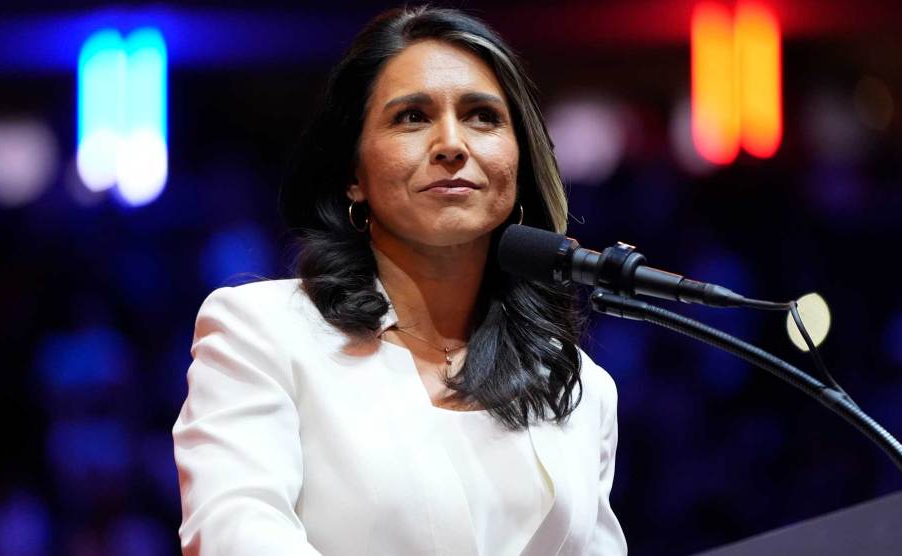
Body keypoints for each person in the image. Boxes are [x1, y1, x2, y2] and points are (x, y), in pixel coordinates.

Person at [172, 6, 626, 555]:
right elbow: (234, 535)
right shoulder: (261, 333)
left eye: (483, 116)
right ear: (353, 175)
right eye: (412, 117)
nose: (452, 144)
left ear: (518, 158)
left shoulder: (579, 386)